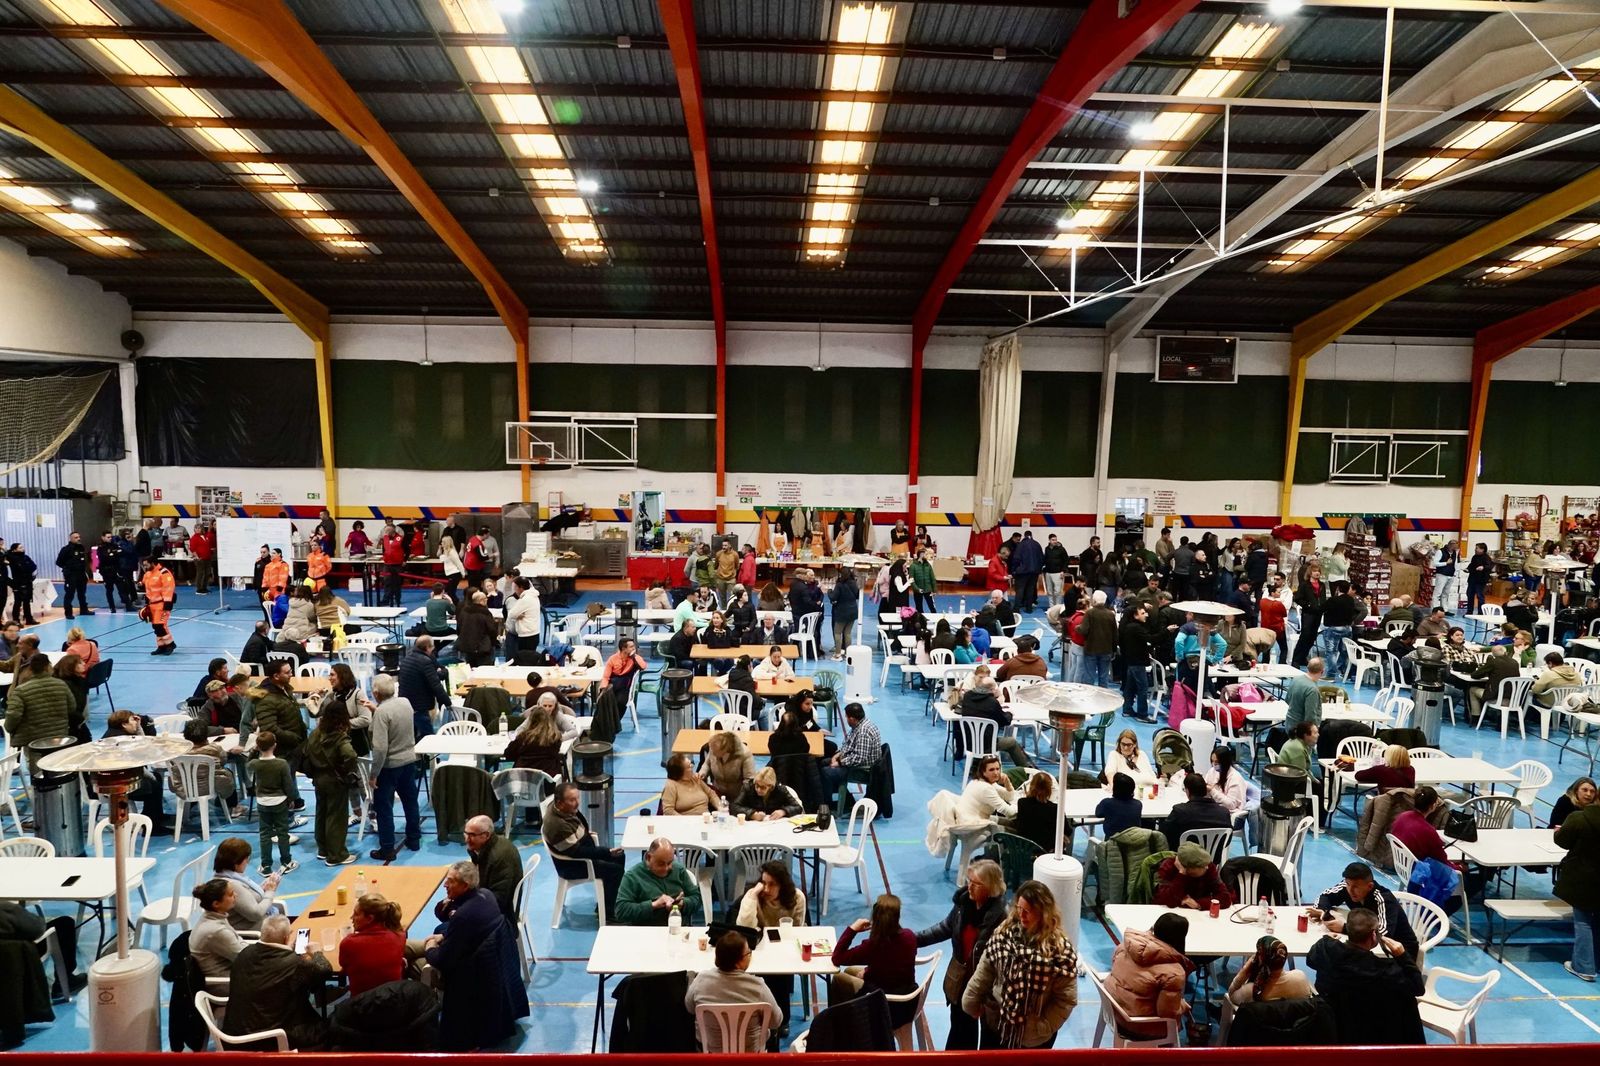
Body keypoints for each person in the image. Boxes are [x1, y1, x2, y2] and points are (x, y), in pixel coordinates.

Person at [421, 862, 529, 1051]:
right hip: (492, 965)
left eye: (451, 881)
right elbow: (471, 930)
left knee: (419, 961)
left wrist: (430, 947)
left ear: (465, 886)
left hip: (470, 976)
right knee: (440, 930)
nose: (445, 885)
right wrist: (445, 936)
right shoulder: (486, 896)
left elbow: (442, 960)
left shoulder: (463, 916)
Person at [961, 879, 1077, 1049]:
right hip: (996, 1025)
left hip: (1033, 1038)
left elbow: (1065, 999)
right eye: (1019, 909)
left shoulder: (1059, 950)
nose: (1021, 915)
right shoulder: (1003, 933)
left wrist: (1041, 1027)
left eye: (1028, 911)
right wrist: (971, 1000)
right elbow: (985, 970)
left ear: (1043, 913)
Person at [1307, 908, 1424, 1044]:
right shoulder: (1385, 970)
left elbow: (1310, 959)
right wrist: (1402, 956)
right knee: (1407, 1002)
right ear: (1374, 935)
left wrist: (1326, 939)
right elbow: (1418, 988)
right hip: (1369, 1027)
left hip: (1333, 1023)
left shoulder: (1325, 950)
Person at [223, 915, 332, 1050]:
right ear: (286, 938)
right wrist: (317, 953)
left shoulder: (244, 954)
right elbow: (324, 970)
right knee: (330, 1028)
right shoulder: (295, 963)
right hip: (272, 1037)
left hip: (235, 1034)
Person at [683, 931, 784, 1052]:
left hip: (711, 1052)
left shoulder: (701, 980)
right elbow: (776, 1021)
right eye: (748, 953)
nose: (750, 956)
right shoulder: (758, 987)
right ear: (738, 961)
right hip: (750, 1054)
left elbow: (689, 1007)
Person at [830, 893, 919, 1025]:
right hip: (908, 1002)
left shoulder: (873, 946)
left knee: (838, 979)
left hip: (884, 1005)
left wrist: (852, 929)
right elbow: (891, 964)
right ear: (897, 917)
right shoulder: (910, 936)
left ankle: (843, 1025)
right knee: (850, 970)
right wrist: (868, 971)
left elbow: (837, 958)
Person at [1107, 911, 1193, 1038]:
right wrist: (1182, 1007)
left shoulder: (1126, 946)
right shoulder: (1174, 973)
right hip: (1137, 1026)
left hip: (1112, 1010)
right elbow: (1167, 1014)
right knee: (1177, 1026)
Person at [1309, 861, 1419, 959]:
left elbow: (1383, 933)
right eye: (1348, 884)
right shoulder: (1348, 887)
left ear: (1370, 886)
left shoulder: (1384, 899)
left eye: (1356, 887)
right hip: (1369, 946)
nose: (1351, 890)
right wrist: (1323, 911)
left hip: (1400, 952)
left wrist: (1344, 928)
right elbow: (1325, 896)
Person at [544, 781, 625, 913]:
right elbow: (576, 852)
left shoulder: (562, 808)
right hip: (572, 865)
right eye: (572, 800)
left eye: (578, 798)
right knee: (615, 871)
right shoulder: (557, 825)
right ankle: (608, 913)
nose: (577, 802)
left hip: (578, 851)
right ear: (559, 803)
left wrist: (586, 834)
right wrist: (606, 852)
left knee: (620, 856)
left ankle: (608, 901)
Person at [365, 673, 422, 861]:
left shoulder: (382, 713)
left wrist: (373, 774)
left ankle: (387, 848)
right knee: (410, 802)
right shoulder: (405, 702)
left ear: (375, 692)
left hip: (389, 767)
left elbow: (380, 748)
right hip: (409, 761)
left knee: (384, 807)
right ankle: (414, 840)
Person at [1554, 773, 1600, 982]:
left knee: (1583, 922)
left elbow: (1562, 841)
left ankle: (1584, 966)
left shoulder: (1578, 818)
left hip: (1583, 877)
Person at [304, 698, 358, 866]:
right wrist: (345, 769)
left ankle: (323, 849)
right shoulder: (339, 737)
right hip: (335, 780)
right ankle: (336, 855)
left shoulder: (316, 732)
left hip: (318, 778)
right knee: (336, 817)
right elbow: (350, 755)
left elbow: (305, 752)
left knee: (321, 813)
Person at [4, 652, 82, 756]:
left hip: (32, 740)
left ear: (30, 669)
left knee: (37, 770)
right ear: (48, 667)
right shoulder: (61, 685)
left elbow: (13, 715)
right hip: (58, 736)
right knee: (55, 765)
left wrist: (8, 728)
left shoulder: (21, 690)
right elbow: (72, 708)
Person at [956, 665, 1034, 768]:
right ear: (992, 690)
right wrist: (1009, 714)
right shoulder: (992, 702)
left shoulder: (967, 696)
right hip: (988, 744)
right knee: (1012, 742)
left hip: (969, 742)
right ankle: (1026, 770)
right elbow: (1004, 721)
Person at [615, 837, 703, 926]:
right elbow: (621, 911)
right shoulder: (633, 876)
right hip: (647, 931)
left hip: (678, 928)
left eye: (669, 863)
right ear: (648, 857)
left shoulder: (679, 870)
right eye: (661, 864)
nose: (666, 868)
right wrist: (653, 905)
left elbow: (697, 898)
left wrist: (682, 903)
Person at [340, 892, 406, 997]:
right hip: (393, 1001)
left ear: (370, 918)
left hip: (362, 1005)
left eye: (356, 914)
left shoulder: (349, 943)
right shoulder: (400, 935)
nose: (351, 917)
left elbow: (344, 967)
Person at [212, 838, 284, 932]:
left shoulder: (227, 875)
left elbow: (246, 895)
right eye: (246, 859)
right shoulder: (231, 885)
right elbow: (256, 914)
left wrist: (263, 888)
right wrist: (270, 891)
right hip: (252, 929)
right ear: (236, 863)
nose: (247, 862)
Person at [464, 814, 523, 925]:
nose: (467, 839)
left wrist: (466, 903)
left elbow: (499, 900)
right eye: (466, 834)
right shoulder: (484, 848)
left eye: (472, 835)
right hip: (489, 899)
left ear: (486, 835)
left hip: (501, 915)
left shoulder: (499, 858)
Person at [1228, 934, 1314, 1007]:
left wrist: (1246, 968)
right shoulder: (1300, 977)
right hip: (1297, 1025)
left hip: (1262, 1026)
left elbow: (1232, 994)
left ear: (1260, 958)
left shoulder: (1253, 991)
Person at [188, 878, 246, 983]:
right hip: (226, 983)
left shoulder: (214, 916)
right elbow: (245, 958)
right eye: (231, 894)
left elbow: (237, 939)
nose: (235, 895)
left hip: (233, 970)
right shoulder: (216, 931)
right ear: (216, 904)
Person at [820, 702, 882, 798]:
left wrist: (840, 762)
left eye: (846, 717)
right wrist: (837, 754)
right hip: (852, 761)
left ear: (852, 719)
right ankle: (839, 794)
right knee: (823, 762)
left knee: (825, 772)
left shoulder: (863, 732)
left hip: (862, 770)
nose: (846, 719)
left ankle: (827, 803)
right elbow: (849, 744)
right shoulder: (859, 724)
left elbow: (859, 758)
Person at [1152, 841, 1234, 910]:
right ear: (1188, 868)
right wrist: (1181, 874)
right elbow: (1166, 902)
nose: (1206, 867)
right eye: (1202, 866)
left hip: (1198, 915)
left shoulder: (1209, 866)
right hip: (1173, 914)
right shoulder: (1168, 868)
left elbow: (1225, 898)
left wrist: (1198, 903)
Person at [399, 635, 450, 739]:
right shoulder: (424, 661)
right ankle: (428, 755)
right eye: (432, 648)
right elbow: (436, 686)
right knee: (428, 737)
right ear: (427, 648)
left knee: (413, 734)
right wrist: (448, 703)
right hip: (420, 705)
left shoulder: (407, 658)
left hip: (406, 703)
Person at [504, 702, 565, 781]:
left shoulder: (523, 737)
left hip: (523, 780)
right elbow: (554, 754)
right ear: (548, 719)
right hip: (547, 781)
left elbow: (508, 754)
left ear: (531, 720)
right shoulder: (555, 737)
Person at [955, 755, 1017, 825]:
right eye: (991, 770)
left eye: (997, 769)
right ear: (983, 772)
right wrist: (1019, 805)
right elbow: (1010, 813)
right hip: (973, 826)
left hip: (971, 819)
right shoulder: (986, 788)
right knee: (1014, 826)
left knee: (1009, 823)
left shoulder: (980, 781)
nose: (996, 773)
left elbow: (1009, 797)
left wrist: (1007, 782)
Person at [1120, 602, 1155, 722]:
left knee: (1130, 687)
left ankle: (1127, 709)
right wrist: (1166, 631)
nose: (1146, 615)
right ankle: (1142, 714)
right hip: (1137, 662)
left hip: (1131, 661)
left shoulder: (1129, 627)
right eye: (1143, 613)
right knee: (1142, 688)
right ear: (1135, 615)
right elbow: (1151, 639)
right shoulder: (1136, 628)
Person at [729, 766, 803, 820]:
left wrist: (783, 811)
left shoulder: (780, 790)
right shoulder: (748, 787)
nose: (758, 789)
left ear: (771, 787)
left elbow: (798, 807)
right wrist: (752, 814)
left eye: (763, 787)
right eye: (757, 785)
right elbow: (734, 807)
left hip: (774, 825)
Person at [1079, 590, 1118, 688]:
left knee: (1089, 677)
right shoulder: (1111, 614)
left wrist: (1077, 628)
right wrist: (1114, 650)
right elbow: (1115, 634)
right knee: (1103, 678)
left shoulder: (1089, 613)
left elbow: (1084, 630)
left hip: (1091, 649)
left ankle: (1088, 700)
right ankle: (1103, 701)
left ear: (1094, 600)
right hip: (1106, 650)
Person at [1011, 772, 1058, 852]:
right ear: (1049, 789)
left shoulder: (1022, 803)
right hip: (1046, 849)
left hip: (1024, 847)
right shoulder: (1054, 808)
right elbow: (1067, 830)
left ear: (1031, 786)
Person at [140, 555, 177, 655]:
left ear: (153, 563)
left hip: (162, 604)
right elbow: (145, 584)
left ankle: (170, 645)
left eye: (146, 565)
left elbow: (168, 589)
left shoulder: (164, 573)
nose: (145, 567)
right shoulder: (147, 574)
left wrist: (167, 604)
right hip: (152, 604)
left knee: (160, 625)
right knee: (155, 626)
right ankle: (161, 646)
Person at [704, 729, 757, 797]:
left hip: (737, 795)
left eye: (715, 752)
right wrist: (702, 773)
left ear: (724, 750)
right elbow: (707, 764)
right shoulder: (714, 749)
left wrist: (741, 799)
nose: (712, 753)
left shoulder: (744, 754)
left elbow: (749, 780)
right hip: (717, 791)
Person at [55, 531, 95, 619]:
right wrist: (68, 569)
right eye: (76, 537)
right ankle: (68, 613)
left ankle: (84, 610)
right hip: (71, 575)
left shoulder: (81, 548)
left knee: (82, 593)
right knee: (70, 594)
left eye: (79, 537)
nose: (78, 539)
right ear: (71, 539)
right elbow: (58, 562)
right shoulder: (66, 549)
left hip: (81, 575)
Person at [1282, 658, 1325, 731]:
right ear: (1322, 671)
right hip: (1302, 730)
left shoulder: (1296, 679)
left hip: (1289, 723)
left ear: (1308, 667)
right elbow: (1310, 717)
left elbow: (1287, 700)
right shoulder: (1312, 689)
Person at [1096, 773, 1145, 837]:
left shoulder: (1107, 803)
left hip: (1112, 842)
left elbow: (1098, 813)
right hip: (1133, 843)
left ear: (1115, 788)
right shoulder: (1138, 804)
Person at [600, 637, 647, 701]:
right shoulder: (612, 659)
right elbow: (606, 677)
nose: (634, 648)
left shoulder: (635, 658)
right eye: (631, 647)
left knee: (620, 701)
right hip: (613, 685)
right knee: (604, 698)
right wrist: (604, 689)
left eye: (634, 646)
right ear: (624, 649)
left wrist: (634, 657)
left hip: (625, 686)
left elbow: (643, 667)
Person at [1205, 746, 1247, 812]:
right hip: (1213, 809)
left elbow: (1231, 804)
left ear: (1225, 762)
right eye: (1212, 761)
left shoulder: (1235, 778)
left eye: (1217, 762)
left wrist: (1212, 790)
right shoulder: (1212, 771)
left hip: (1226, 814)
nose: (1214, 764)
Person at [5, 543, 36, 625]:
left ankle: (29, 619)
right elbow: (7, 555)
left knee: (27, 601)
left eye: (23, 547)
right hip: (18, 583)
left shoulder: (26, 557)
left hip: (28, 581)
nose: (23, 549)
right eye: (20, 547)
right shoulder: (12, 558)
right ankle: (16, 620)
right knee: (18, 602)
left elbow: (33, 566)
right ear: (14, 550)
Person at [1465, 542, 1494, 613]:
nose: (1475, 550)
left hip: (1481, 580)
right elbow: (1472, 565)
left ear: (1482, 549)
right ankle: (1469, 611)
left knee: (1480, 596)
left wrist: (1483, 567)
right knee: (1469, 595)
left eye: (1477, 548)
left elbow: (1489, 566)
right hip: (1472, 579)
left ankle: (1480, 612)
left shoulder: (1486, 558)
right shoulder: (1474, 557)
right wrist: (1468, 569)